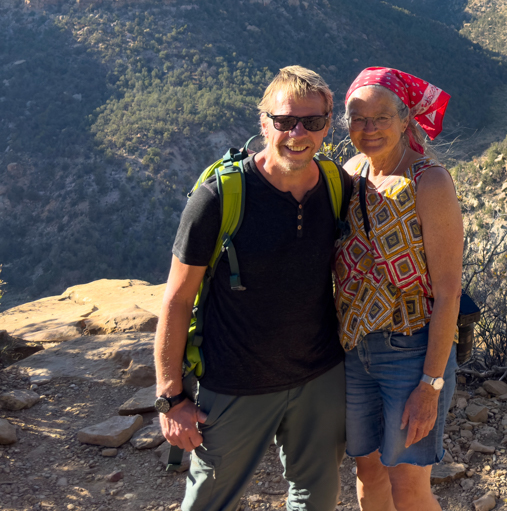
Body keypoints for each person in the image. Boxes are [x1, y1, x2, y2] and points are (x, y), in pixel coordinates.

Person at [155, 65, 347, 511]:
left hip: (319, 377)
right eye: (284, 121)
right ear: (264, 124)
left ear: (327, 126)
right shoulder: (219, 197)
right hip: (234, 382)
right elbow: (178, 298)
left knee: (315, 497)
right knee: (209, 501)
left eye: (312, 122)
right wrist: (171, 397)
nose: (297, 133)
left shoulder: (337, 186)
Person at [334, 67, 463, 511]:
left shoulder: (430, 182)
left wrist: (430, 384)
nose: (368, 129)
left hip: (411, 353)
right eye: (357, 118)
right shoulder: (350, 174)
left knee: (409, 486)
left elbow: (448, 292)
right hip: (356, 350)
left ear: (405, 119)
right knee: (368, 473)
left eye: (380, 118)